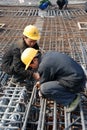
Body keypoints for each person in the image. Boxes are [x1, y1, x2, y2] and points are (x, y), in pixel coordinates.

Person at [21, 48, 86, 112]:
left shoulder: (43, 66)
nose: (31, 67)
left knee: (44, 88)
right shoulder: (47, 55)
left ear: (34, 60)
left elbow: (43, 84)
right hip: (79, 76)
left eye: (30, 65)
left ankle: (72, 99)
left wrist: (40, 91)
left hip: (76, 82)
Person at [1, 25, 41, 89]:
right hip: (9, 65)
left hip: (18, 63)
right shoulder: (18, 49)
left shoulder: (33, 43)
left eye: (35, 41)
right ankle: (17, 79)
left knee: (31, 59)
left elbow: (37, 54)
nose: (33, 43)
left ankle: (26, 73)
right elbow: (18, 68)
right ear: (24, 37)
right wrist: (32, 74)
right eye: (31, 41)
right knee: (24, 62)